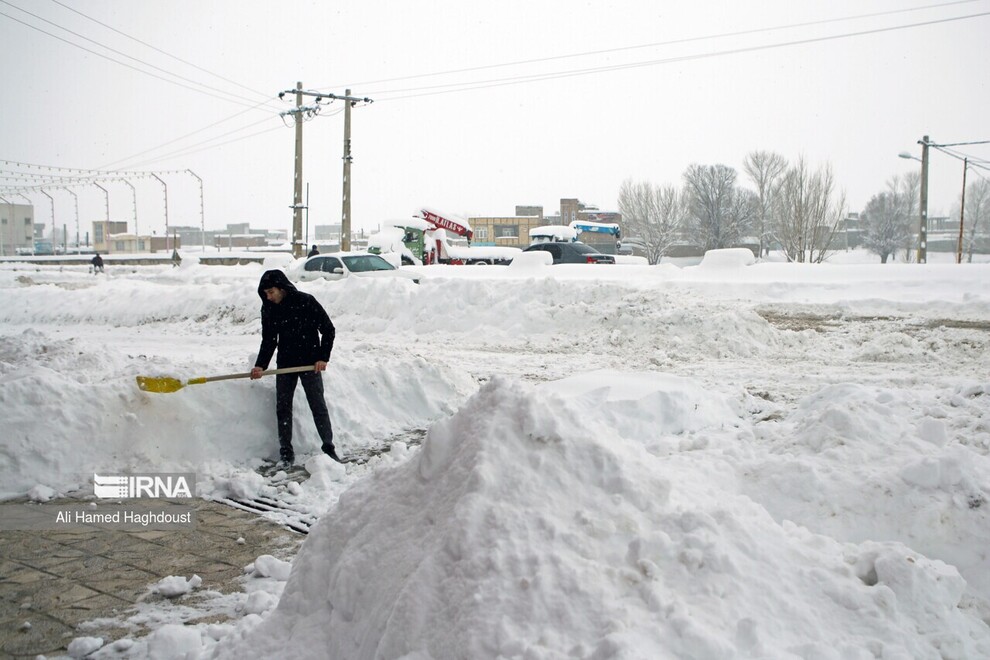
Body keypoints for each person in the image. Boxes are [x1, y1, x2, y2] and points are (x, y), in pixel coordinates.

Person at [251, 269, 340, 467]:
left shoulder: (306, 301)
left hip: (310, 363)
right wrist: (260, 365)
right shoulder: (268, 308)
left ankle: (328, 447)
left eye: (271, 292)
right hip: (286, 364)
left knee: (317, 405)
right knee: (283, 408)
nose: (269, 296)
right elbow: (269, 340)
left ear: (281, 288)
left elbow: (328, 330)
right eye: (265, 293)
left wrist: (322, 357)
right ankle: (286, 452)